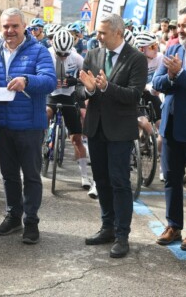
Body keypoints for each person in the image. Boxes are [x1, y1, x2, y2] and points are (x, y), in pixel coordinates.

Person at [0, 8, 56, 245]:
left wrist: (27, 80)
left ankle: (31, 221)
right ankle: (14, 216)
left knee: (32, 176)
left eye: (15, 26)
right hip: (2, 126)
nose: (10, 31)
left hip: (29, 126)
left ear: (24, 27)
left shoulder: (39, 51)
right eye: (6, 26)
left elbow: (49, 81)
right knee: (9, 176)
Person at [79, 13, 147, 258]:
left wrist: (107, 87)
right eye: (98, 32)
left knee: (119, 182)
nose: (98, 36)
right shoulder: (93, 54)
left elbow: (134, 95)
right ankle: (107, 227)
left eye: (102, 32)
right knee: (102, 180)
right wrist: (88, 90)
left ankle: (122, 235)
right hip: (96, 128)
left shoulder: (136, 58)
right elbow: (80, 89)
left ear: (118, 32)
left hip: (119, 131)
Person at [152, 6, 186, 251]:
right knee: (171, 179)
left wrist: (179, 75)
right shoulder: (173, 49)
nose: (181, 30)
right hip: (170, 127)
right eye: (180, 25)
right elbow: (156, 82)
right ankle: (173, 226)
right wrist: (171, 77)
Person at [46, 29, 91, 190]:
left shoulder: (77, 57)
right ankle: (43, 138)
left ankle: (84, 175)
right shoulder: (46, 54)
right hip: (51, 94)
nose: (63, 56)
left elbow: (86, 78)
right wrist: (50, 80)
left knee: (76, 139)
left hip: (69, 96)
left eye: (66, 54)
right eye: (59, 53)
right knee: (45, 114)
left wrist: (74, 80)